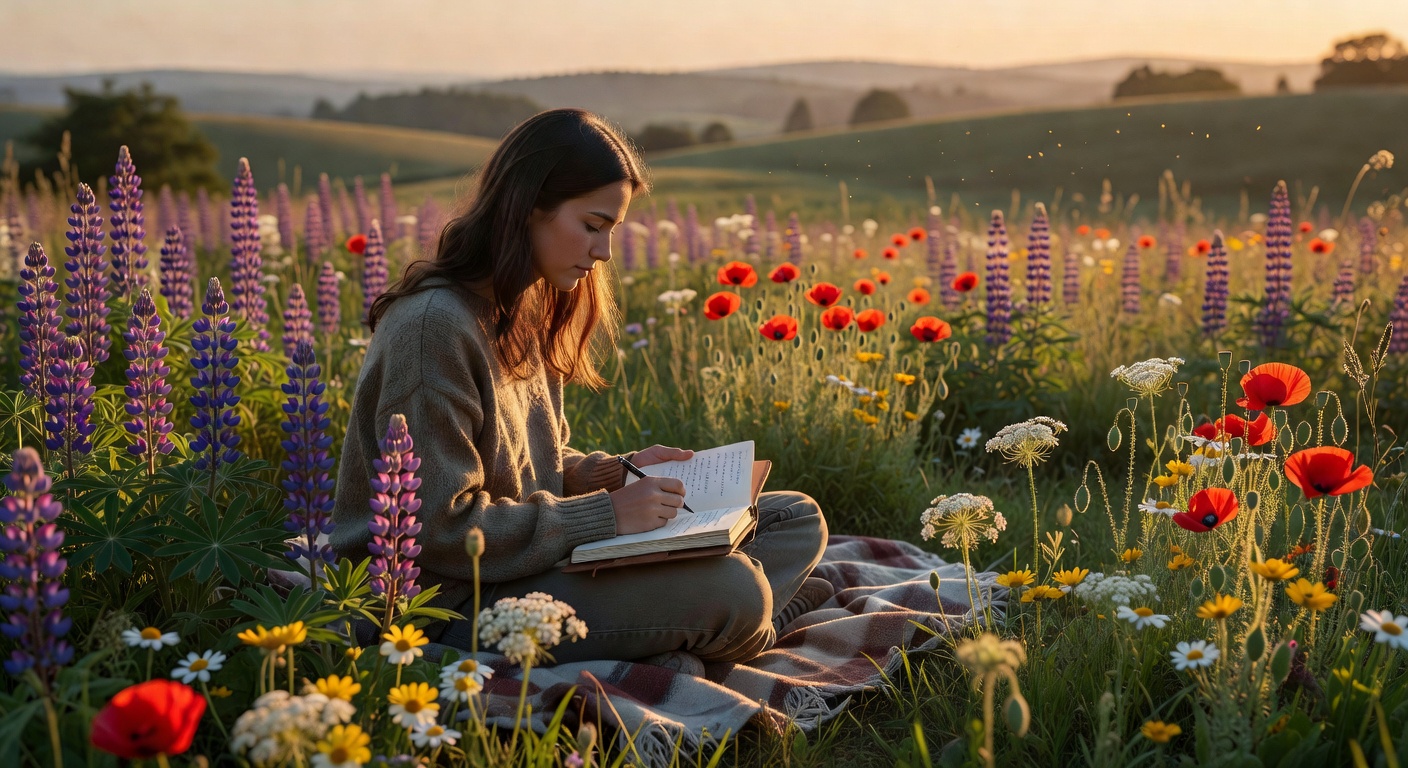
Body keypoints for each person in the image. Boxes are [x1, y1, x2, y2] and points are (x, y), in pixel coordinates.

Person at [331, 108, 832, 668]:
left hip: (525, 562)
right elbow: (440, 529)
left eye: (610, 231)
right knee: (735, 588)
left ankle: (701, 633)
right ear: (527, 207)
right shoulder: (433, 329)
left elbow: (527, 468)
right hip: (445, 602)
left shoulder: (523, 303)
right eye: (593, 226)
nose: (604, 253)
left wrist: (612, 474)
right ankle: (741, 626)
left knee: (793, 519)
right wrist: (608, 515)